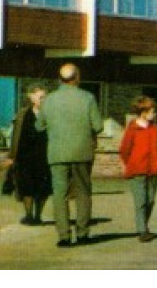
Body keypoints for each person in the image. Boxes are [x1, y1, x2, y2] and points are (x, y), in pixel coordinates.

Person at [35, 63, 103, 248]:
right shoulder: (88, 98)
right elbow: (98, 126)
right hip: (82, 152)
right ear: (77, 77)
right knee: (83, 193)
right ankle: (82, 233)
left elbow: (39, 126)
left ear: (60, 79)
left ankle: (64, 236)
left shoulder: (49, 100)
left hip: (57, 153)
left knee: (60, 195)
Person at [119, 95, 157, 242]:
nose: (155, 114)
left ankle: (143, 225)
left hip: (153, 169)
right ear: (143, 112)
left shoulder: (155, 128)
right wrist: (131, 163)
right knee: (141, 201)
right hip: (137, 169)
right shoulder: (132, 128)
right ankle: (142, 231)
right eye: (152, 111)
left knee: (150, 200)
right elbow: (124, 150)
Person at [7, 86, 52, 225]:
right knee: (26, 187)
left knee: (43, 188)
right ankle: (28, 215)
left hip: (45, 157)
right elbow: (15, 135)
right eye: (40, 97)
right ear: (31, 98)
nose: (43, 100)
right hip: (25, 157)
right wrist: (12, 156)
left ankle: (38, 216)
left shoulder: (50, 115)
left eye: (45, 97)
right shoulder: (23, 115)